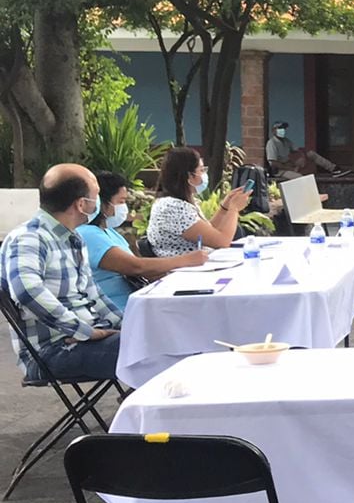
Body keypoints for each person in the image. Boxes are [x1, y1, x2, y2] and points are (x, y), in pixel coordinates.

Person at [0, 165, 123, 382]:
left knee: (155, 340)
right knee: (151, 352)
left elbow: (95, 295)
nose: (99, 204)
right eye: (96, 197)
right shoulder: (28, 238)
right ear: (81, 204)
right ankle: (142, 413)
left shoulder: (73, 239)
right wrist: (84, 331)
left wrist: (129, 325)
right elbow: (27, 291)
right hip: (52, 351)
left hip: (85, 339)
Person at [78, 172, 206, 312]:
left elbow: (143, 272)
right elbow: (136, 267)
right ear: (101, 203)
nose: (124, 208)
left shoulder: (109, 232)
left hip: (137, 302)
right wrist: (187, 260)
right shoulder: (88, 234)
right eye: (120, 202)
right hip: (118, 311)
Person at [146, 147, 253, 257]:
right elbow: (222, 242)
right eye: (201, 170)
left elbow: (209, 232)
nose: (204, 174)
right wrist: (234, 208)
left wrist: (224, 207)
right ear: (189, 176)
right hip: (186, 270)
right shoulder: (172, 208)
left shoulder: (179, 203)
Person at [264, 119, 345, 181]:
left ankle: (334, 169)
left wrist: (302, 157)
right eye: (280, 128)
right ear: (274, 130)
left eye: (283, 128)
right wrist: (291, 168)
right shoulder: (272, 143)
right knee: (300, 178)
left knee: (310, 153)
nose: (282, 130)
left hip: (291, 164)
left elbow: (298, 149)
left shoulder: (286, 141)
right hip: (281, 170)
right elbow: (273, 163)